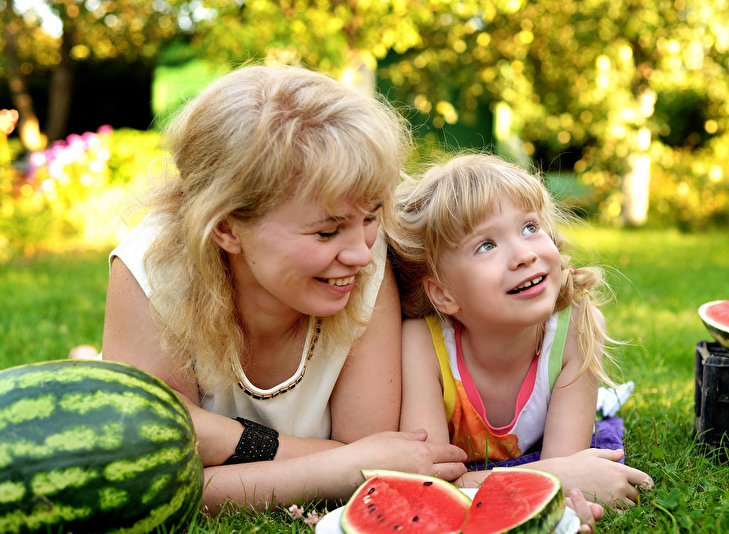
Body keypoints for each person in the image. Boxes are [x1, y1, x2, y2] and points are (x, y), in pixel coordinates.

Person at [100, 64, 469, 513]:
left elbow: (371, 449)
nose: (361, 253)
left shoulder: (366, 255)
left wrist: (220, 439)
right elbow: (151, 482)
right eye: (326, 232)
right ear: (226, 228)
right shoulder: (152, 268)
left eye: (371, 216)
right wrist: (345, 466)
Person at [388, 154, 654, 514]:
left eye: (530, 227)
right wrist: (557, 476)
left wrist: (560, 478)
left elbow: (570, 468)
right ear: (444, 294)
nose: (524, 254)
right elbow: (428, 487)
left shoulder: (576, 327)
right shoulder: (423, 343)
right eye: (486, 245)